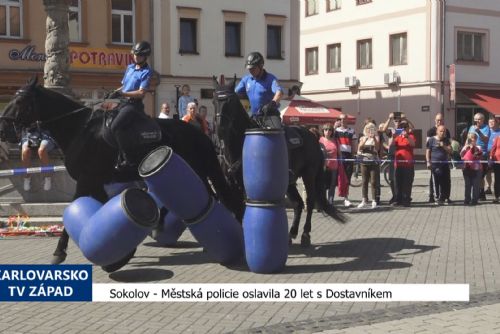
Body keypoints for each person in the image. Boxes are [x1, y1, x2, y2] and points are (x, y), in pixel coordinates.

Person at [106, 40, 158, 169]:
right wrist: (114, 92)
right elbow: (124, 86)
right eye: (135, 54)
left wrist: (123, 94)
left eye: (139, 55)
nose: (136, 57)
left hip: (133, 106)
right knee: (106, 120)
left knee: (115, 126)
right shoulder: (130, 67)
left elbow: (141, 93)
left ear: (145, 56)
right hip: (123, 103)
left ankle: (128, 158)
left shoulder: (147, 72)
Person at [235, 51, 284, 128]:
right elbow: (234, 93)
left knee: (275, 136)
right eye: (249, 69)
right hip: (254, 117)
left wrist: (272, 103)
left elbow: (279, 92)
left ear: (260, 66)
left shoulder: (271, 79)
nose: (251, 71)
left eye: (253, 68)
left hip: (270, 117)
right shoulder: (246, 80)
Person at [20, 126, 56, 191]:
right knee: (26, 151)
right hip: (30, 135)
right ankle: (27, 178)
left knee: (42, 151)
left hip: (46, 134)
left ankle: (47, 177)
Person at [426, 113, 451, 203]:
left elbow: (450, 149)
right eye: (438, 120)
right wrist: (428, 161)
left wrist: (444, 146)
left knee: (446, 181)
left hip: (444, 163)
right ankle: (433, 196)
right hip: (434, 163)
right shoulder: (430, 134)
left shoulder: (446, 135)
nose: (439, 121)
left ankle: (445, 197)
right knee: (434, 181)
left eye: (441, 120)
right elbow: (428, 149)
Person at [335, 113, 357, 207]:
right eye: (341, 119)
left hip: (348, 155)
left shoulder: (351, 131)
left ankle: (346, 198)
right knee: (337, 178)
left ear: (347, 120)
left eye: (344, 119)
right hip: (338, 155)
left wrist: (354, 155)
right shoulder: (335, 131)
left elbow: (354, 144)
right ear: (339, 121)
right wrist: (333, 126)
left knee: (347, 177)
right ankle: (332, 198)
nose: (343, 121)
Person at [357, 122, 380, 208]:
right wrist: (365, 140)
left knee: (373, 181)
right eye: (368, 129)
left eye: (372, 129)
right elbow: (360, 148)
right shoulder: (362, 138)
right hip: (364, 161)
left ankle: (374, 200)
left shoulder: (376, 137)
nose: (370, 131)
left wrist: (374, 138)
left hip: (373, 162)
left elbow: (377, 148)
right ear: (365, 130)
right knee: (364, 181)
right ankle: (364, 199)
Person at [392, 120, 416, 207]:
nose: (403, 128)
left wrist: (407, 137)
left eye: (405, 127)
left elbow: (413, 144)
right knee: (398, 183)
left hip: (408, 164)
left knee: (407, 183)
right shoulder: (397, 137)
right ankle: (398, 200)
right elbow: (391, 145)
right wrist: (393, 135)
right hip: (398, 164)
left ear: (407, 128)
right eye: (401, 127)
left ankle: (406, 200)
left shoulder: (411, 136)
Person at [468, 113, 490, 201]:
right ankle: (474, 193)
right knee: (472, 175)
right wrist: (465, 149)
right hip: (472, 154)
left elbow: (486, 140)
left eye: (479, 119)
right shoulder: (471, 127)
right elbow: (468, 139)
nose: (477, 121)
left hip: (482, 155)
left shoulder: (486, 128)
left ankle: (482, 193)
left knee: (480, 175)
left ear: (483, 120)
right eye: (475, 119)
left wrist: (478, 131)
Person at [319, 123, 340, 205]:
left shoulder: (335, 141)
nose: (328, 131)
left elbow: (339, 153)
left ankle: (330, 201)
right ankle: (323, 202)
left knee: (332, 185)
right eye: (326, 129)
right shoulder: (320, 140)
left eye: (330, 130)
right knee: (323, 185)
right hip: (323, 167)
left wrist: (340, 163)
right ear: (323, 131)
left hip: (334, 166)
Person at [461, 132, 483, 205]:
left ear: (476, 139)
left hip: (476, 169)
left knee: (476, 185)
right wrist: (467, 148)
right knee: (468, 185)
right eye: (470, 139)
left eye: (473, 138)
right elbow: (461, 156)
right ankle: (467, 199)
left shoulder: (478, 147)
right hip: (467, 168)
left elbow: (478, 155)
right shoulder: (465, 147)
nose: (472, 140)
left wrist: (473, 148)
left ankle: (475, 200)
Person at [485, 116, 499, 194]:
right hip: (488, 154)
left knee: (497, 172)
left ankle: (497, 189)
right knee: (488, 171)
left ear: (497, 122)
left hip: (497, 155)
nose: (491, 123)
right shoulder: (486, 131)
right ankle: (488, 187)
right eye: (489, 122)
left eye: (493, 122)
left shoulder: (499, 131)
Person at [489, 131, 500, 203]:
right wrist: (490, 158)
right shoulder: (497, 138)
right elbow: (493, 149)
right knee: (497, 180)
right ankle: (497, 197)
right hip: (497, 162)